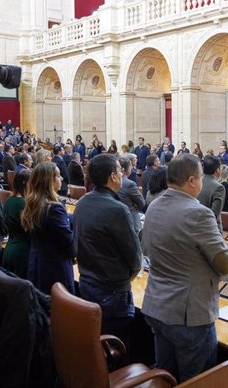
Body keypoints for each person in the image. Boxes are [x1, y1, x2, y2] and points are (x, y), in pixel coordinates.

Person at [142, 154, 228, 382]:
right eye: (201, 178)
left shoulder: (154, 205)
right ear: (192, 180)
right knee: (197, 381)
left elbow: (147, 250)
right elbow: (224, 263)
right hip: (189, 315)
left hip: (157, 306)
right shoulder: (199, 213)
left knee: (166, 376)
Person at [75, 154, 143, 359]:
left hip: (87, 282)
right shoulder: (117, 209)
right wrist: (129, 276)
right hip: (113, 291)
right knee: (118, 348)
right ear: (113, 176)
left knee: (99, 343)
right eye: (120, 171)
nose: (122, 174)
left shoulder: (83, 202)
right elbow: (135, 257)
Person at [22, 162, 76, 295]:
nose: (62, 178)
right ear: (49, 181)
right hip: (56, 268)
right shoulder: (54, 208)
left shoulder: (33, 204)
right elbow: (69, 243)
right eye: (58, 176)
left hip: (37, 264)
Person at [2, 170, 31, 279]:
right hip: (22, 253)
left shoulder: (9, 200)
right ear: (25, 183)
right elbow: (30, 230)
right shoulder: (23, 204)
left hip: (9, 248)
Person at [116, 157, 145, 237]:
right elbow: (141, 203)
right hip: (130, 220)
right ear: (126, 169)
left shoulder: (112, 181)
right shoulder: (129, 184)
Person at [197, 155, 226, 231]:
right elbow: (214, 215)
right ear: (217, 170)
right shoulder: (219, 187)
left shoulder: (196, 182)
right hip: (211, 230)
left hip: (194, 225)